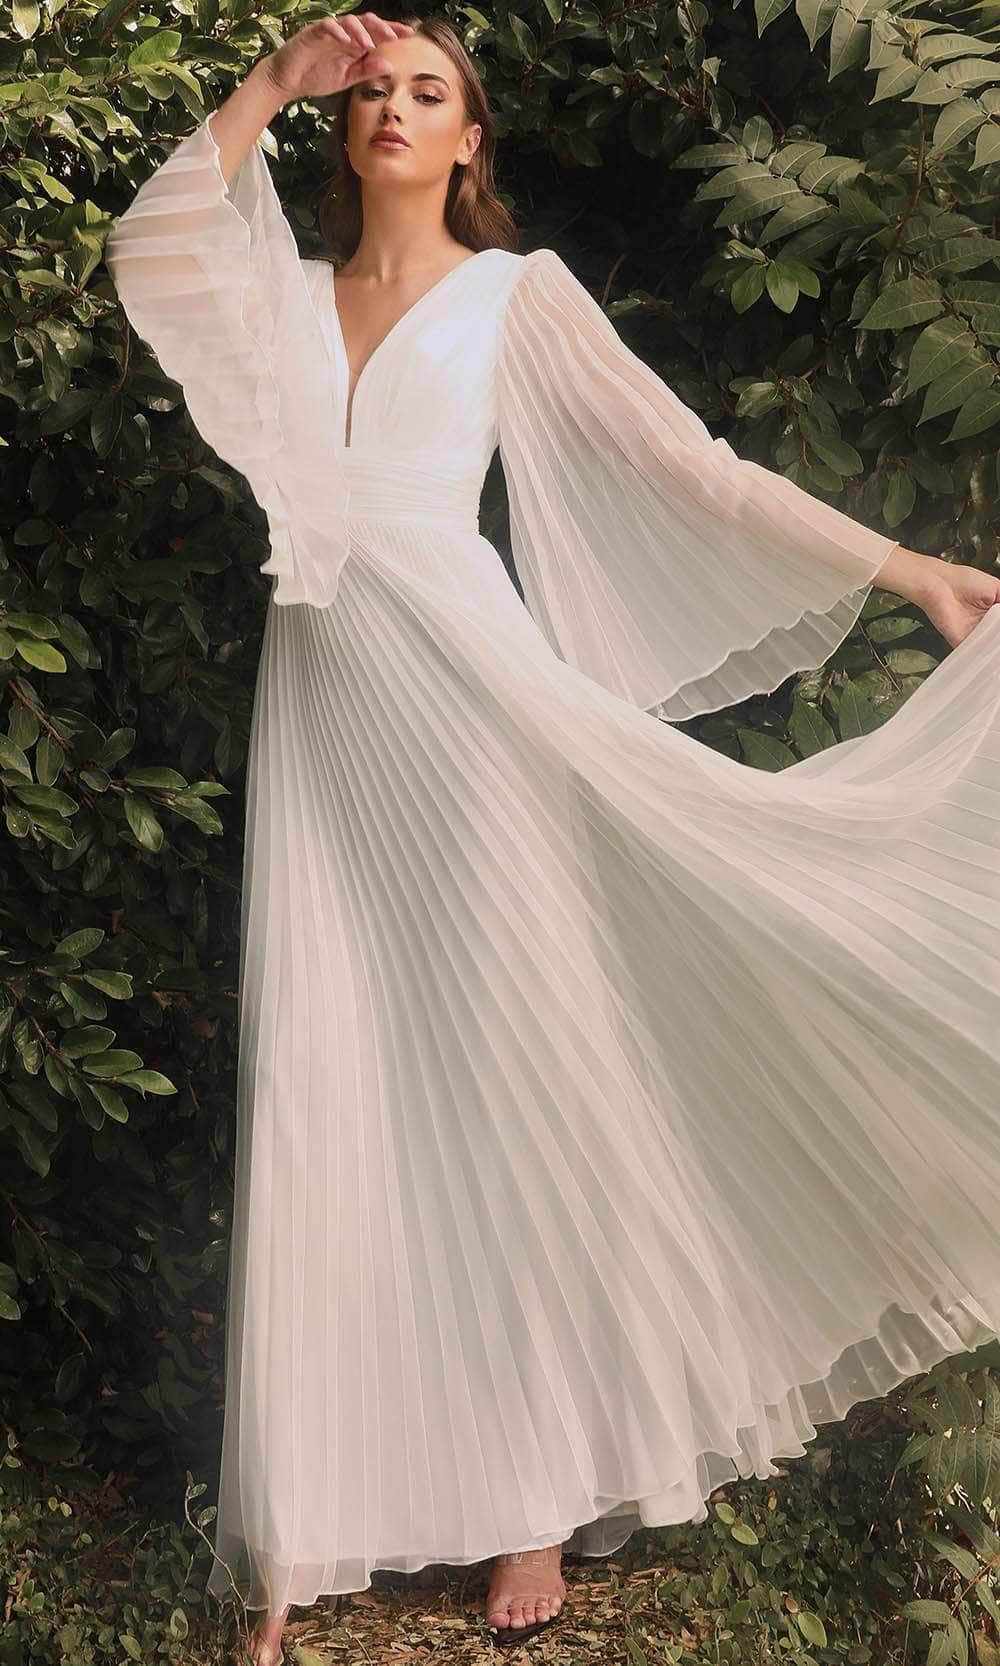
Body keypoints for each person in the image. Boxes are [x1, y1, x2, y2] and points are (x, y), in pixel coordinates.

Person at [104, 13, 1000, 1664]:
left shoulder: (515, 295)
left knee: (509, 1072)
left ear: (471, 142)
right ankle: (297, 1532)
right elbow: (151, 250)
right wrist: (271, 79)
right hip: (325, 721)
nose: (393, 108)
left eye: (428, 92)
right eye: (374, 90)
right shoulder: (282, 298)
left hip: (478, 712)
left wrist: (913, 572)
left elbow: (696, 471)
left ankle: (533, 1493)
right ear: (343, 125)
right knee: (321, 1061)